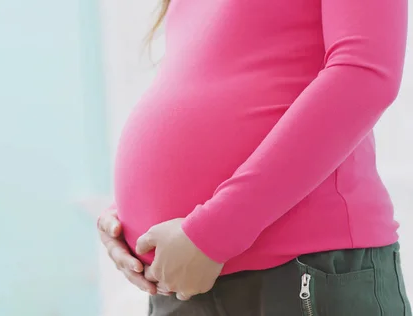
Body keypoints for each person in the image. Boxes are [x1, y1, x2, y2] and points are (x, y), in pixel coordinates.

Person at [96, 0, 411, 315]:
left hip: (301, 267)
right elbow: (210, 73)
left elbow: (363, 76)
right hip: (181, 280)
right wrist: (127, 222)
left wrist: (214, 233)